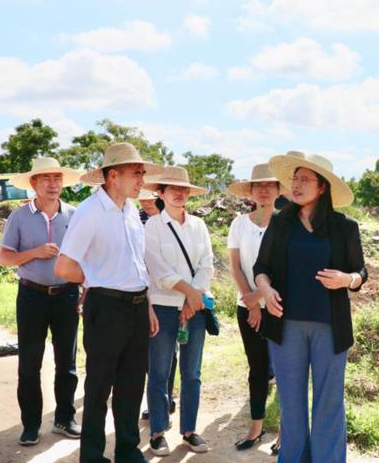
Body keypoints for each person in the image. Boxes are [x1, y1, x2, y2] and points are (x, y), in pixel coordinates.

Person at [255, 153, 367, 463]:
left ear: (322, 188)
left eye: (305, 179)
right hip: (285, 326)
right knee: (290, 404)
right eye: (295, 179)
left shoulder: (345, 227)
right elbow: (260, 267)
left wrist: (347, 279)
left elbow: (361, 273)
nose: (297, 184)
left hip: (331, 328)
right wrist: (264, 288)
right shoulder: (280, 223)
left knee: (328, 403)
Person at [55, 143, 161, 463]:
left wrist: (149, 306)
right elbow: (64, 266)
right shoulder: (90, 212)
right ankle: (91, 456)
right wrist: (93, 282)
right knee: (99, 389)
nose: (142, 179)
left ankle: (128, 452)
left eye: (143, 172)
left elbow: (137, 265)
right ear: (113, 175)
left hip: (138, 306)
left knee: (131, 386)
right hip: (107, 307)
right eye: (136, 173)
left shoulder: (131, 211)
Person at [0, 157, 82, 445]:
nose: (53, 183)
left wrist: (85, 288)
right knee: (29, 364)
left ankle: (64, 418)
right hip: (32, 295)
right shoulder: (19, 217)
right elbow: (5, 257)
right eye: (45, 178)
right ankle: (31, 424)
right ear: (33, 184)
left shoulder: (74, 215)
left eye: (57, 178)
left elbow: (86, 256)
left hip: (67, 295)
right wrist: (34, 252)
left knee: (67, 362)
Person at [144, 166, 214, 456]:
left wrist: (191, 300)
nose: (179, 192)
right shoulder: (152, 226)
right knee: (159, 371)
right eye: (172, 188)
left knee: (192, 372)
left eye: (184, 188)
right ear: (160, 193)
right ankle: (158, 430)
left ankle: (189, 430)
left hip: (195, 308)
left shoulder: (199, 225)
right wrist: (189, 293)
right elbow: (158, 269)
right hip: (162, 306)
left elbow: (207, 264)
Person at [226, 163, 281, 452]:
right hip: (246, 306)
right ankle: (256, 426)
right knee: (257, 368)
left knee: (286, 370)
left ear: (278, 190)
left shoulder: (286, 223)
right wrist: (250, 300)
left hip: (279, 307)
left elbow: (285, 270)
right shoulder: (239, 223)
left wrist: (262, 299)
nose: (263, 189)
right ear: (250, 191)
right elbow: (235, 266)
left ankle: (287, 431)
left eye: (269, 185)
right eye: (258, 185)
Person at [137, 187, 177, 421]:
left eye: (148, 198)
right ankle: (156, 401)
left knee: (169, 354)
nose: (145, 202)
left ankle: (166, 399)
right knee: (149, 354)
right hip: (143, 292)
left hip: (170, 294)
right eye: (141, 199)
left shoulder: (172, 219)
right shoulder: (136, 219)